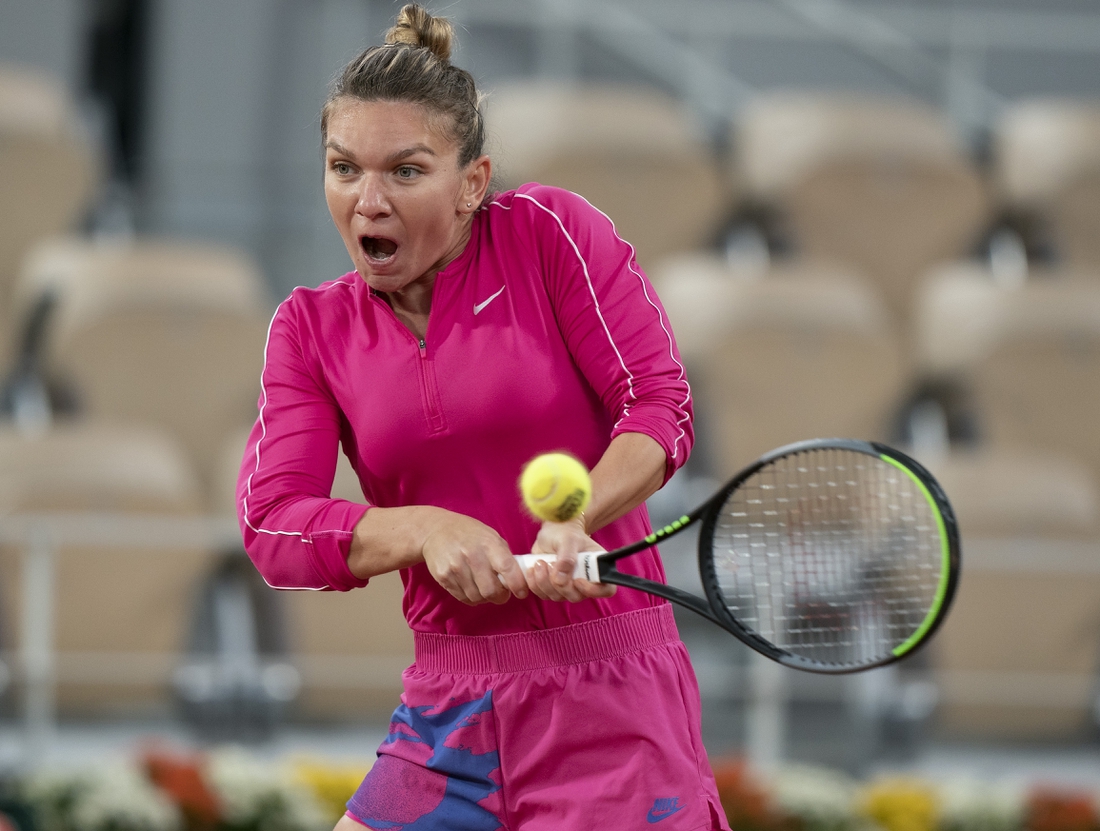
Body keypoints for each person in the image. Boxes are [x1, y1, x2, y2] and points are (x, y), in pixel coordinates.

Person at [237, 5, 730, 829]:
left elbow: (658, 404)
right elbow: (274, 525)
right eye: (343, 168)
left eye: (405, 170)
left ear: (472, 182)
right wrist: (424, 528)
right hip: (448, 703)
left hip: (611, 703)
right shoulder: (308, 328)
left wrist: (575, 515)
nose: (368, 200)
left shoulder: (549, 234)